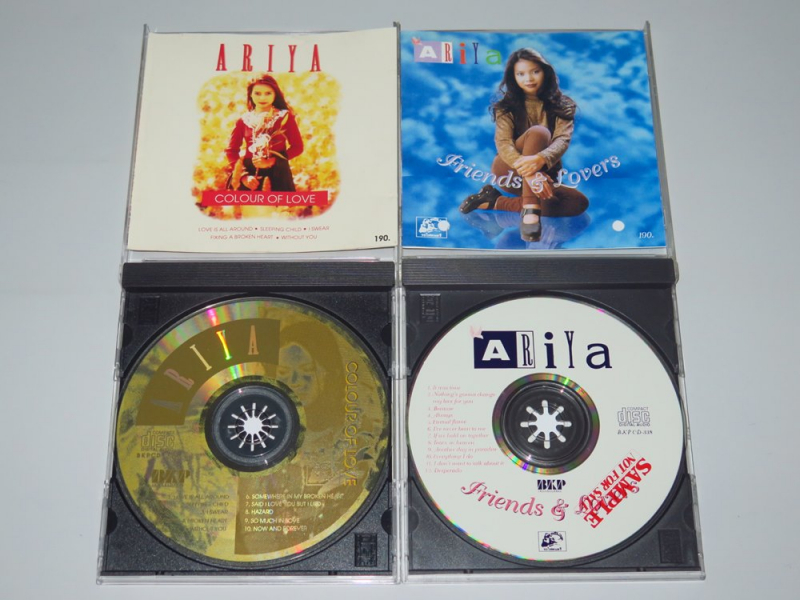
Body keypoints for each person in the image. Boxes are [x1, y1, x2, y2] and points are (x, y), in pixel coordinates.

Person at [459, 48, 588, 240]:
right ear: (513, 77)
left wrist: (541, 160)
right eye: (521, 74)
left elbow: (563, 139)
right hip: (509, 170)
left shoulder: (563, 105)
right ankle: (530, 210)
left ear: (545, 72)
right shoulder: (506, 107)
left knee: (578, 203)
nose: (529, 78)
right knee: (539, 132)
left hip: (545, 174)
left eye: (535, 71)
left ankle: (495, 202)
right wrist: (531, 173)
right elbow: (504, 143)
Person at [225, 74, 304, 191]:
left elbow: (297, 147)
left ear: (275, 94)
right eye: (257, 93)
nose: (262, 98)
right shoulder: (243, 120)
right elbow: (231, 151)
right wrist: (243, 176)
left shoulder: (284, 117)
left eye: (268, 93)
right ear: (250, 94)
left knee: (279, 203)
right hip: (250, 176)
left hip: (278, 173)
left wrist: (272, 161)